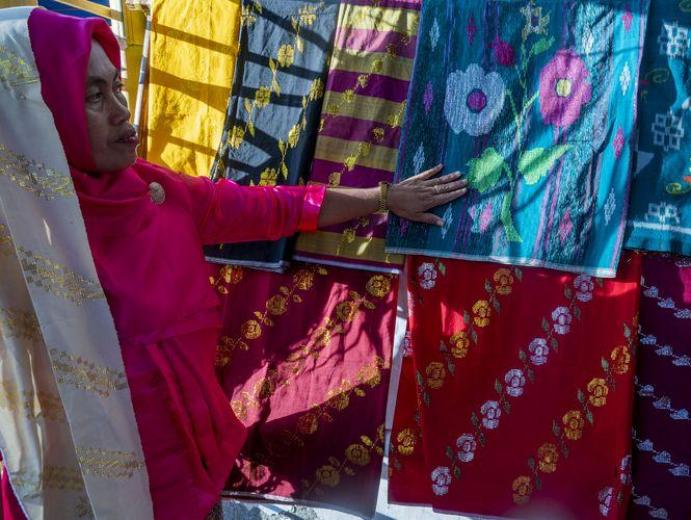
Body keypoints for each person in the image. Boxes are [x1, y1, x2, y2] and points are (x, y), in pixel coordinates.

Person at [5, 8, 467, 519]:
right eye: (93, 96)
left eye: (116, 86)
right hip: (92, 492)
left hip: (195, 478)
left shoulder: (156, 191)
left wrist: (384, 198)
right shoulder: (23, 244)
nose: (120, 110)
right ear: (39, 113)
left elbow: (274, 208)